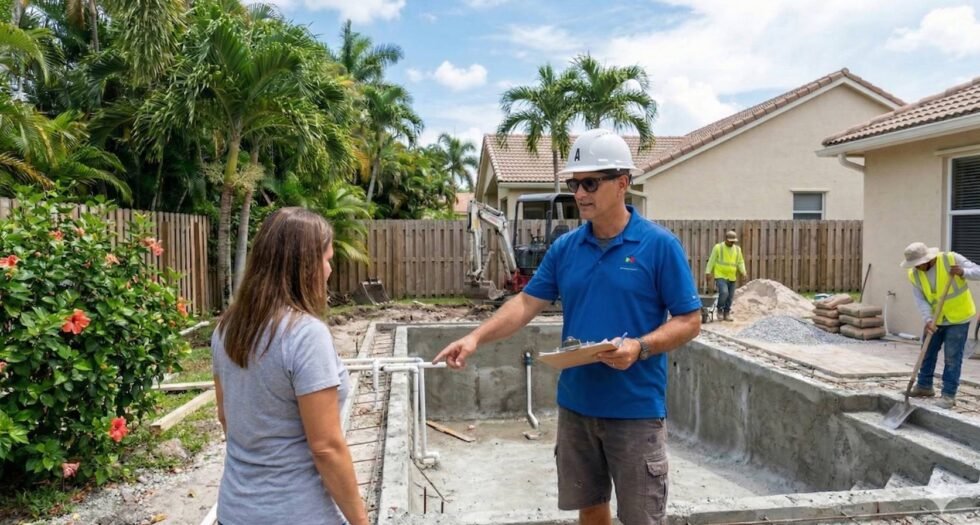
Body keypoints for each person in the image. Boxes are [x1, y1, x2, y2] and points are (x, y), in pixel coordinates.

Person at [434, 129, 702, 525]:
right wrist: (474, 337)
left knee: (642, 518)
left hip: (634, 411)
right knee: (590, 509)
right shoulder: (566, 248)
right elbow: (525, 303)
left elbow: (690, 321)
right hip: (576, 407)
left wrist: (639, 348)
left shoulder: (659, 246)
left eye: (590, 182)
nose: (580, 193)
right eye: (575, 184)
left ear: (622, 183)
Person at [211, 208, 368, 525]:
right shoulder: (305, 335)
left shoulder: (226, 328)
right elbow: (326, 448)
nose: (329, 269)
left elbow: (226, 416)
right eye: (326, 259)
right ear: (305, 266)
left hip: (234, 511)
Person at [901, 241, 980, 409]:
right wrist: (928, 319)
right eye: (915, 265)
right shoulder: (914, 274)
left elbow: (979, 271)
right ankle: (924, 386)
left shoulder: (951, 259)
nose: (918, 268)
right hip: (936, 319)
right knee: (927, 352)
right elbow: (921, 300)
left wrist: (963, 272)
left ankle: (948, 395)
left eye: (920, 264)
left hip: (958, 318)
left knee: (952, 357)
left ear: (928, 259)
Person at [705, 230, 746, 322]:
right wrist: (708, 272)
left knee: (730, 296)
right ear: (726, 239)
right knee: (724, 292)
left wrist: (743, 272)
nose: (732, 242)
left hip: (732, 276)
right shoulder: (718, 248)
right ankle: (719, 310)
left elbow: (740, 262)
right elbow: (712, 260)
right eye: (731, 241)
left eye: (734, 241)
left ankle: (726, 313)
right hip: (720, 275)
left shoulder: (737, 249)